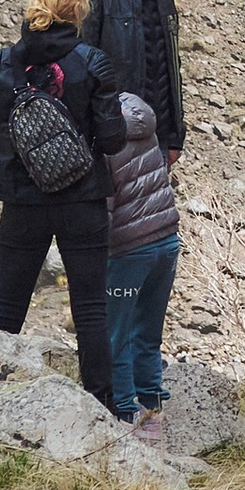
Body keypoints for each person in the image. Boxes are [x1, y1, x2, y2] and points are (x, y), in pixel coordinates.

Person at [0, 0, 113, 408]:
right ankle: (103, 410)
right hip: (82, 200)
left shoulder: (1, 64)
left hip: (22, 204)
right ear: (77, 9)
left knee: (9, 309)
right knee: (90, 310)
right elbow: (112, 139)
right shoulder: (92, 63)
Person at [80, 0, 187, 164]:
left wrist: (175, 136)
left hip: (156, 145)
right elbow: (78, 77)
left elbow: (170, 67)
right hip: (110, 148)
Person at [101, 93, 180, 433]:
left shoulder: (99, 136)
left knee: (116, 336)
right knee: (147, 334)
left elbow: (102, 206)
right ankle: (152, 417)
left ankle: (123, 416)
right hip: (167, 239)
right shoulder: (139, 115)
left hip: (129, 249)